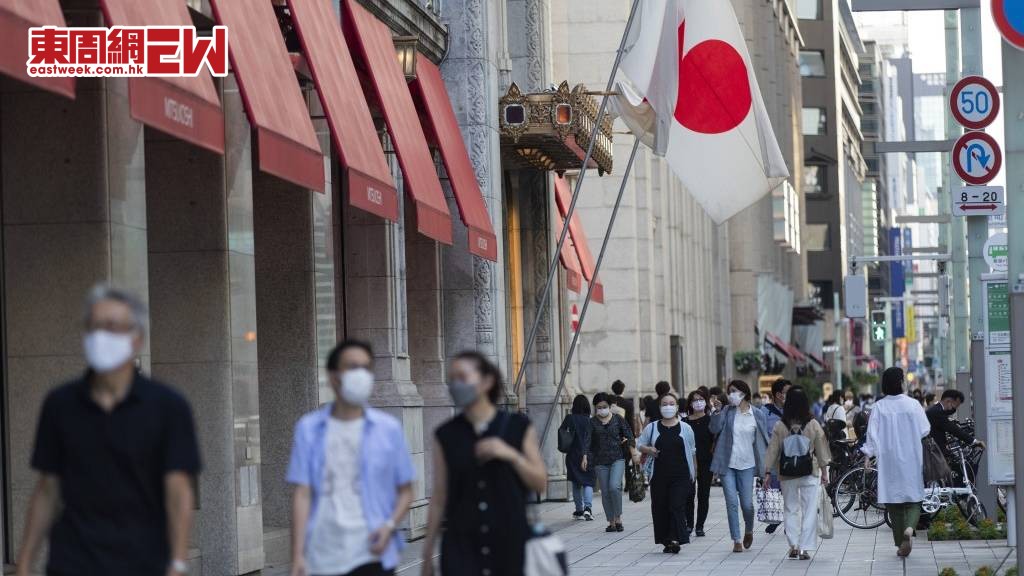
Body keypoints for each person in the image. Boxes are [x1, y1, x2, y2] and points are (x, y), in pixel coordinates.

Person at [16, 286, 201, 576]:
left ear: (136, 338)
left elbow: (178, 491)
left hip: (143, 563)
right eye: (94, 326)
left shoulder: (168, 407)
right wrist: (25, 563)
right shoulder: (60, 404)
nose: (101, 335)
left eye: (112, 326)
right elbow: (47, 489)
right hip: (73, 562)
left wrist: (178, 562)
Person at [287, 340, 415, 576]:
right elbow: (302, 493)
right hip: (322, 553)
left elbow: (406, 490)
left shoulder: (388, 429)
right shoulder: (309, 428)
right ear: (334, 376)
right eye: (352, 367)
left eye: (366, 368)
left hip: (372, 552)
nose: (361, 374)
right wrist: (297, 556)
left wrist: (389, 526)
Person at [421, 352, 547, 576]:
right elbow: (439, 497)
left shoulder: (517, 426)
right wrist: (427, 553)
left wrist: (510, 455)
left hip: (510, 544)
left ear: (487, 381)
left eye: (462, 376)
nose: (455, 385)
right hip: (461, 548)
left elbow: (539, 482)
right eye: (452, 378)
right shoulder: (446, 434)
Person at [861, 367, 930, 558]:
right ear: (901, 382)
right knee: (914, 499)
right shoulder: (913, 405)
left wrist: (868, 456)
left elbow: (872, 435)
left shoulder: (879, 407)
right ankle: (909, 529)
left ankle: (901, 542)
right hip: (911, 458)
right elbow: (925, 429)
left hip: (889, 460)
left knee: (894, 502)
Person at [764, 388, 830, 560]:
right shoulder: (813, 424)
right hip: (810, 472)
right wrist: (824, 471)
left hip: (787, 473)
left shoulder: (780, 425)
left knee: (790, 508)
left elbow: (772, 450)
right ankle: (804, 548)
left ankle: (793, 545)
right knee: (809, 511)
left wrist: (767, 472)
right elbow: (822, 450)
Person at [709, 380, 770, 553]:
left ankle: (749, 530)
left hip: (748, 464)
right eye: (729, 392)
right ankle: (736, 539)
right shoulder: (727, 411)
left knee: (747, 504)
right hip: (728, 463)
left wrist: (767, 468)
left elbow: (763, 441)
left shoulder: (757, 414)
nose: (731, 395)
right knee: (731, 502)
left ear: (744, 393)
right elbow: (714, 429)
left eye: (734, 391)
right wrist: (717, 411)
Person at [638, 393, 696, 554]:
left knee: (676, 505)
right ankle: (667, 540)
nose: (668, 406)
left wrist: (694, 474)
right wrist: (649, 449)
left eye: (671, 403)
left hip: (682, 475)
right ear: (660, 407)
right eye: (665, 404)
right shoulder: (652, 427)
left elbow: (692, 452)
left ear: (677, 407)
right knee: (661, 507)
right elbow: (639, 444)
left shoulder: (686, 428)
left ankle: (676, 538)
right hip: (659, 475)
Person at [588, 392, 639, 532]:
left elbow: (629, 435)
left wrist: (633, 452)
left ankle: (618, 518)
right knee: (605, 492)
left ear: (609, 406)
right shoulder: (592, 422)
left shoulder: (618, 419)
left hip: (617, 458)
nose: (601, 410)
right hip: (600, 461)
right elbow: (587, 442)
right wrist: (585, 457)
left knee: (614, 487)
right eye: (598, 407)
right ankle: (611, 522)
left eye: (604, 407)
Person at [761, 379, 790, 534]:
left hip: (790, 458)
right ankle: (775, 518)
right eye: (787, 392)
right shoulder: (765, 412)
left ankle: (788, 523)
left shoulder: (792, 410)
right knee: (774, 490)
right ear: (778, 395)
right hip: (773, 458)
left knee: (788, 491)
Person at [683, 389, 713, 537]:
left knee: (703, 494)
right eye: (695, 400)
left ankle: (700, 525)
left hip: (707, 462)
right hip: (688, 462)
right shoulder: (684, 422)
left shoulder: (711, 420)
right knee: (689, 493)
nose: (698, 402)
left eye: (701, 399)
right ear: (690, 403)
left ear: (706, 401)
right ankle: (689, 524)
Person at [561, 394, 596, 520]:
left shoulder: (569, 418)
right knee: (588, 482)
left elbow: (561, 432)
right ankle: (588, 508)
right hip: (588, 455)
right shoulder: (591, 420)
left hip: (572, 455)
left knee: (576, 483)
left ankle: (579, 510)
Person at [926, 390, 985, 455]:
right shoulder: (937, 412)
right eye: (954, 406)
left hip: (935, 450)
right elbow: (953, 429)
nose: (953, 409)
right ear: (948, 401)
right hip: (933, 453)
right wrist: (974, 441)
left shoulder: (938, 409)